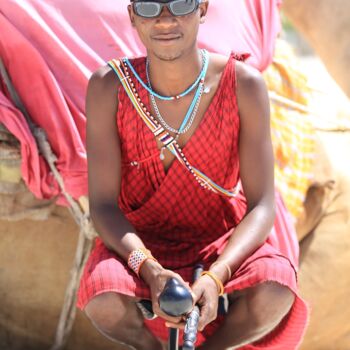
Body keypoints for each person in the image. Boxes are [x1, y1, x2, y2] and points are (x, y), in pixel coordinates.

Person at [77, 1, 308, 349]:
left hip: (221, 240)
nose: (166, 18)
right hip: (141, 243)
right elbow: (104, 206)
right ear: (132, 15)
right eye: (150, 6)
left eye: (181, 3)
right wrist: (151, 271)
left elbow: (261, 206)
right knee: (102, 298)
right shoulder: (108, 86)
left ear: (202, 8)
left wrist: (217, 278)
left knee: (276, 288)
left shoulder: (244, 84)